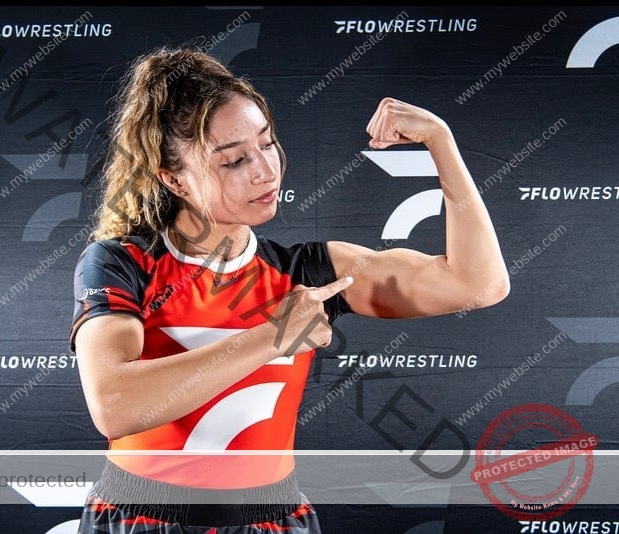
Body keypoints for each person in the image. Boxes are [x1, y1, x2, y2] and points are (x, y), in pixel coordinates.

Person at [69, 45, 510, 533]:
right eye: (233, 160)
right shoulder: (121, 262)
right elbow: (115, 406)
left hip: (272, 520)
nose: (265, 169)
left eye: (267, 143)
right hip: (142, 519)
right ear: (174, 178)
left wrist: (440, 142)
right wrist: (274, 335)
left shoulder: (309, 271)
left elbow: (478, 284)